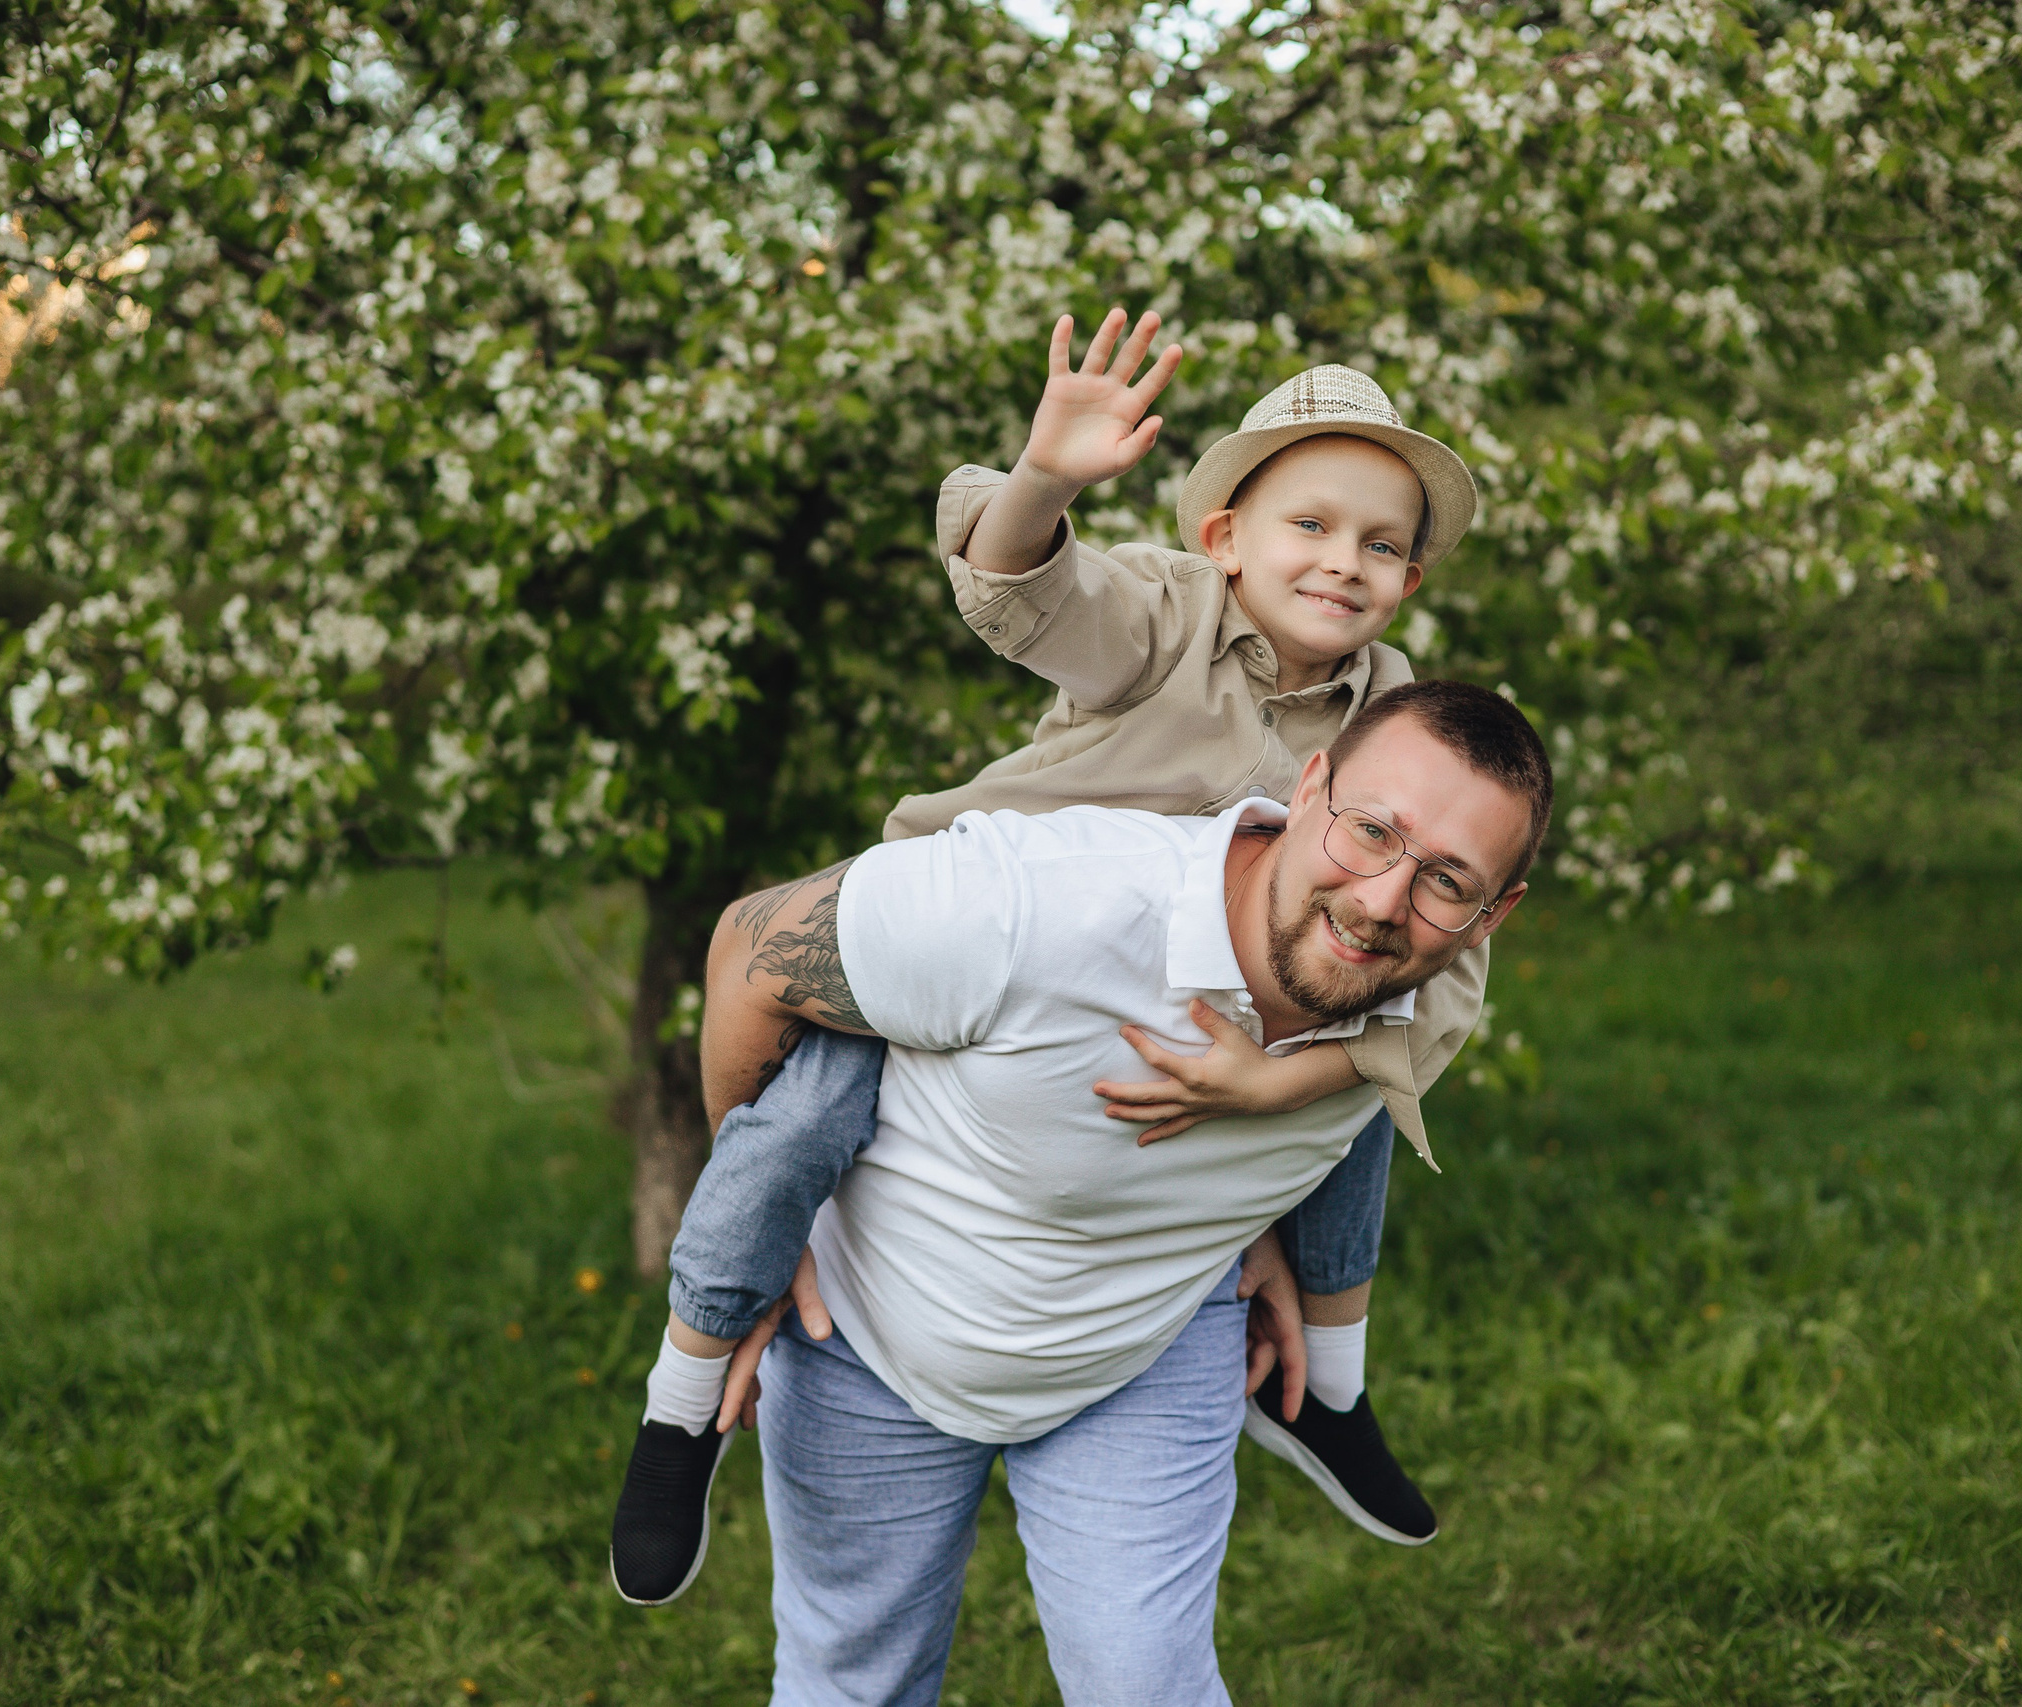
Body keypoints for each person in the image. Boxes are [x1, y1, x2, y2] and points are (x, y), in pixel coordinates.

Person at [610, 310, 1498, 1606]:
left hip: (1204, 977)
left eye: (1381, 544)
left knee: (1364, 1079)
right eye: (1308, 523)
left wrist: (1271, 1096)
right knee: (801, 1117)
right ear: (1225, 537)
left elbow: (1421, 939)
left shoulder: (1390, 704)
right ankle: (682, 1400)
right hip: (983, 953)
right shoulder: (1168, 616)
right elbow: (1031, 599)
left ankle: (1335, 1388)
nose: (1343, 560)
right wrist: (1045, 482)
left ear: (1410, 582)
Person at [703, 684, 1549, 1701]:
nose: (1380, 902)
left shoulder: (1429, 1002)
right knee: (853, 1681)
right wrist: (762, 1231)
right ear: (1309, 785)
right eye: (1371, 831)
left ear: (1492, 915)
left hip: (1145, 1344)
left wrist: (1266, 1237)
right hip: (872, 1325)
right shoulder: (1031, 902)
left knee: (1146, 1683)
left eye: (1447, 880)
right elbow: (748, 950)